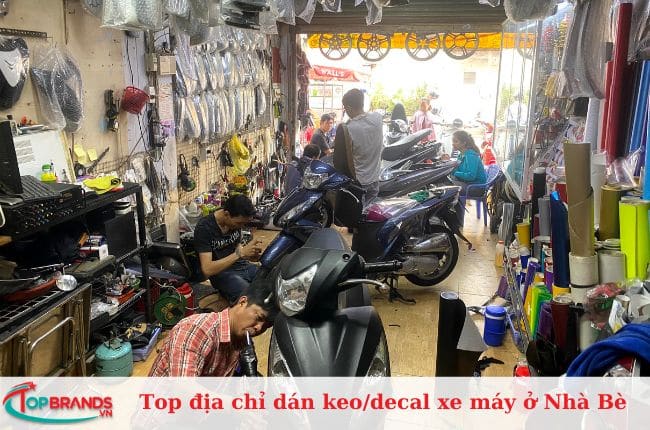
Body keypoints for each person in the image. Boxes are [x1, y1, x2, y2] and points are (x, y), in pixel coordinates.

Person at [148, 279, 276, 377]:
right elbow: (184, 390)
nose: (259, 327)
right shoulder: (195, 330)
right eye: (259, 318)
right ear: (242, 302)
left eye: (266, 326)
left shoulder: (241, 338)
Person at [194, 195, 263, 304]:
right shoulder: (204, 228)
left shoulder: (234, 223)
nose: (241, 226)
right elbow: (207, 269)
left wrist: (250, 255)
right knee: (250, 297)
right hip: (222, 273)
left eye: (244, 223)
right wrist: (240, 253)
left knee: (272, 281)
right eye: (239, 223)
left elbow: (237, 247)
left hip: (241, 266)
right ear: (226, 214)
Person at [333, 88, 383, 204]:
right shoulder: (377, 119)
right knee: (370, 213)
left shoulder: (348, 128)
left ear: (349, 107)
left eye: (345, 108)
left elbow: (338, 161)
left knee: (357, 214)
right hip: (375, 180)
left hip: (358, 184)